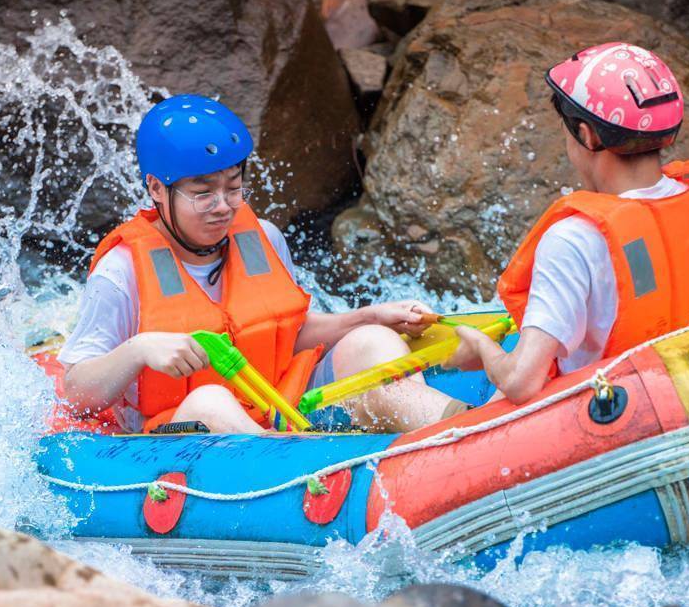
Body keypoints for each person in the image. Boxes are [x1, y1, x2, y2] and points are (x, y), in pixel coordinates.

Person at [58, 94, 467, 434]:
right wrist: (138, 350)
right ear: (156, 189)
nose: (224, 206)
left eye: (233, 188)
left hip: (279, 401)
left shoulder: (263, 238)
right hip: (178, 429)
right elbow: (75, 395)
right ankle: (297, 473)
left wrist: (368, 316)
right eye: (203, 193)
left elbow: (289, 333)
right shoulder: (121, 272)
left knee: (372, 340)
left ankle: (457, 430)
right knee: (210, 401)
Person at [453, 42, 689, 405]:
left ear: (587, 135)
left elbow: (521, 383)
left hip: (609, 411)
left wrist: (481, 347)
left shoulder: (572, 239)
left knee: (426, 397)